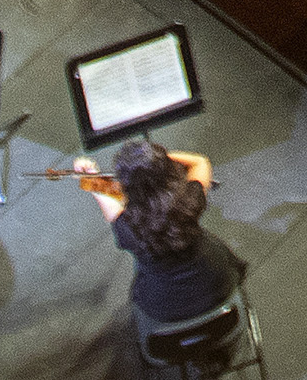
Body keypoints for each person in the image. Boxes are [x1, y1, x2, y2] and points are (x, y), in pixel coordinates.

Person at [83, 137, 236, 332]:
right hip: (216, 286)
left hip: (163, 306)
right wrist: (158, 162)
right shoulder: (191, 199)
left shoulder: (125, 225)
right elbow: (199, 161)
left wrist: (88, 175)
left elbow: (100, 191)